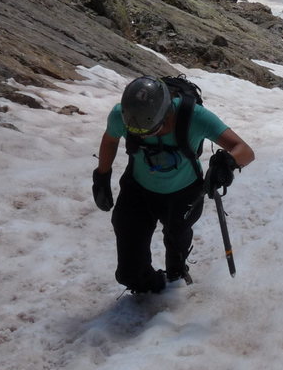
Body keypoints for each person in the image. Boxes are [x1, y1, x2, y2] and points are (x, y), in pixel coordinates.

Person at [91, 76, 255, 294]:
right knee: (129, 271)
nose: (148, 136)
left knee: (177, 244)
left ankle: (176, 272)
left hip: (184, 193)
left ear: (167, 112)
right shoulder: (122, 114)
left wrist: (228, 163)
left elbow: (245, 150)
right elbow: (111, 139)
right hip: (138, 190)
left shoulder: (193, 116)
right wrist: (102, 177)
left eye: (153, 130)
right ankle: (150, 287)